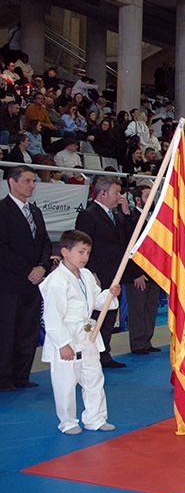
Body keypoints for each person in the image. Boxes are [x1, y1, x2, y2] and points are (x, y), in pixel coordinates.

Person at [40, 229, 121, 435]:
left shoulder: (85, 275)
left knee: (94, 377)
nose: (85, 257)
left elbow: (97, 301)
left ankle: (95, 418)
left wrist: (110, 294)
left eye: (87, 253)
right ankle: (68, 422)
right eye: (81, 252)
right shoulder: (56, 281)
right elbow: (52, 317)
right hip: (67, 335)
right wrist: (63, 343)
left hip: (88, 335)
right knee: (65, 383)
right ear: (65, 252)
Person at [0, 166, 52, 391]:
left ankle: (22, 375)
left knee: (28, 330)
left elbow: (45, 243)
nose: (32, 185)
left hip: (34, 283)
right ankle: (4, 378)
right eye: (28, 181)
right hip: (10, 283)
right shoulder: (2, 210)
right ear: (12, 182)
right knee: (7, 331)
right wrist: (27, 271)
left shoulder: (35, 212)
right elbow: (2, 248)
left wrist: (42, 266)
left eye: (34, 181)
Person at [74, 176, 132, 369]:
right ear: (103, 192)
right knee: (95, 316)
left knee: (109, 315)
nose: (119, 196)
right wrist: (91, 273)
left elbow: (126, 241)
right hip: (98, 274)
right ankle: (89, 353)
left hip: (115, 272)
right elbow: (84, 245)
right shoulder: (88, 215)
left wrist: (125, 214)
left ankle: (104, 353)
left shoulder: (116, 215)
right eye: (116, 193)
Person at [125, 185, 162, 355]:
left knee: (150, 307)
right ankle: (138, 342)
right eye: (148, 195)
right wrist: (135, 273)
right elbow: (130, 247)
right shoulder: (132, 218)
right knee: (138, 309)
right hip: (138, 272)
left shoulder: (152, 218)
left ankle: (147, 340)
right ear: (138, 199)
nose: (152, 198)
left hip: (153, 271)